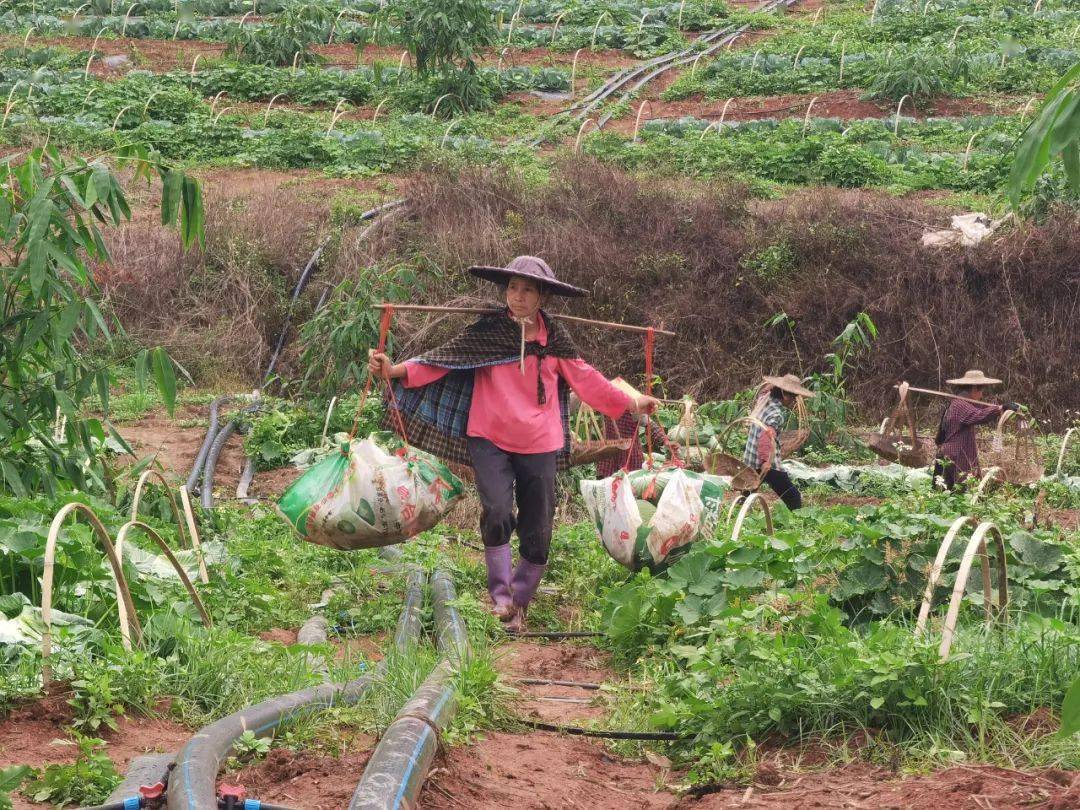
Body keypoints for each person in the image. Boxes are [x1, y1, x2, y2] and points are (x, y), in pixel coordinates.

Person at [368, 256, 659, 632]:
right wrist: (394, 371)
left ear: (542, 298)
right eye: (512, 288)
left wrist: (632, 403)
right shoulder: (489, 332)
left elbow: (589, 382)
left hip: (541, 443)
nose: (517, 297)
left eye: (527, 290)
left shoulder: (554, 341)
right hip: (488, 437)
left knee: (538, 525)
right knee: (498, 511)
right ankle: (501, 598)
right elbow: (441, 361)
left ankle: (520, 601)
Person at [933, 369, 1019, 490]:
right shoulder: (960, 405)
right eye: (981, 391)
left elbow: (982, 408)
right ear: (974, 388)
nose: (981, 395)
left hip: (952, 455)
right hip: (953, 457)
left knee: (953, 494)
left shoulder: (962, 402)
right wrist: (1000, 408)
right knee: (953, 494)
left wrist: (1003, 408)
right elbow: (979, 415)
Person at [742, 374, 813, 511]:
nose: (793, 401)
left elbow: (764, 390)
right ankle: (799, 521)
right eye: (793, 397)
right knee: (792, 496)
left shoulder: (764, 399)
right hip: (765, 460)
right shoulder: (777, 414)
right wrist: (766, 462)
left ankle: (741, 511)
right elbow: (766, 437)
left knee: (749, 490)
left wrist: (774, 386)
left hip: (750, 456)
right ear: (785, 396)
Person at [594, 379, 670, 479]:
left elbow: (651, 426)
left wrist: (665, 441)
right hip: (614, 454)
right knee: (612, 484)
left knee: (625, 484)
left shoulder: (633, 410)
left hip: (626, 454)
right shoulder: (610, 406)